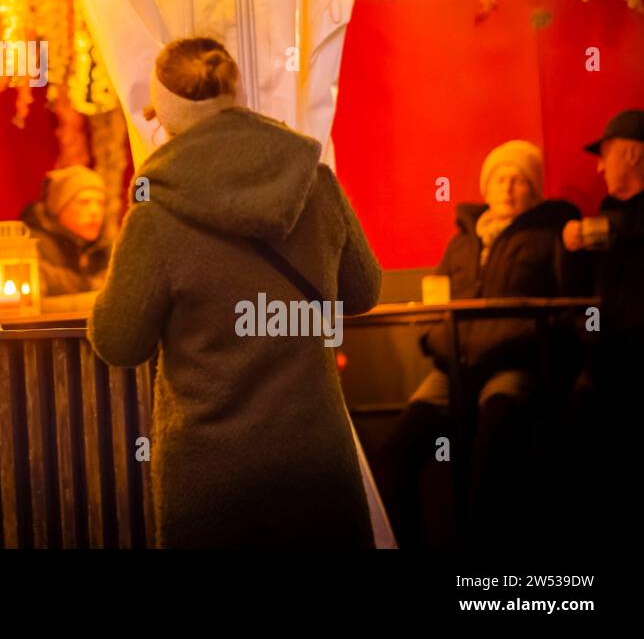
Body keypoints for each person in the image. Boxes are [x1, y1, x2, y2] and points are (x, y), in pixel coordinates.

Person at [88, 37, 381, 548]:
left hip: (213, 474)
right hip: (317, 459)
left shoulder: (155, 215)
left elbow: (118, 341)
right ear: (236, 95)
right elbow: (363, 290)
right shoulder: (314, 181)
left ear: (165, 114)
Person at [378, 139, 577, 546]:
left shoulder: (551, 235)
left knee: (491, 454)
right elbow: (437, 299)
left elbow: (568, 308)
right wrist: (436, 342)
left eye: (519, 180)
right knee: (394, 452)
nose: (507, 188)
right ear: (485, 188)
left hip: (511, 367)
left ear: (534, 189)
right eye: (500, 178)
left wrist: (528, 346)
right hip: (453, 366)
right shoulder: (462, 241)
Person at [557, 110, 644, 538]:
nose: (598, 166)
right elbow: (582, 291)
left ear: (631, 153)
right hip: (606, 361)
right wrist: (571, 246)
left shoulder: (617, 220)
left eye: (605, 154)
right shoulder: (607, 215)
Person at [19, 165, 111, 296]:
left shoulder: (105, 248)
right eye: (84, 202)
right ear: (59, 208)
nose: (95, 211)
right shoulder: (32, 246)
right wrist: (89, 285)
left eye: (101, 203)